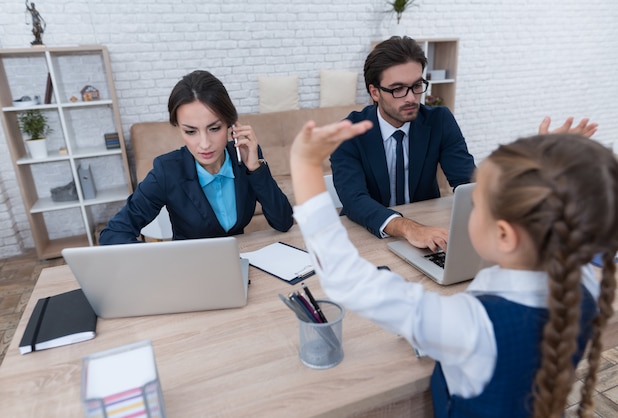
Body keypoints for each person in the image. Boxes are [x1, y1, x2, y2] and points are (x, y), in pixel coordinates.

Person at [290, 119, 618, 417]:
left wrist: (305, 166)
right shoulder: (586, 282)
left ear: (504, 234)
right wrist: (549, 169)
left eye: (478, 205)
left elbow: (346, 278)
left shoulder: (471, 327)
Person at [330, 36, 598, 252]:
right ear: (374, 92)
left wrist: (535, 159)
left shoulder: (439, 120)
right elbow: (354, 201)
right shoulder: (349, 132)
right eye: (398, 89)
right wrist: (410, 228)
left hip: (432, 233)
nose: (411, 98)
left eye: (417, 85)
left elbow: (469, 183)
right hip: (371, 237)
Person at [100, 70, 293, 245]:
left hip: (239, 262)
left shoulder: (245, 156)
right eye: (191, 131)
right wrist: (162, 261)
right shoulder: (167, 171)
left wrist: (255, 168)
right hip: (190, 272)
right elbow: (113, 235)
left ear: (231, 124)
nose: (204, 144)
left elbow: (283, 222)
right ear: (179, 128)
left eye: (214, 128)